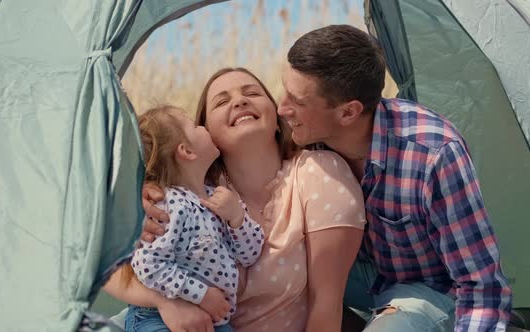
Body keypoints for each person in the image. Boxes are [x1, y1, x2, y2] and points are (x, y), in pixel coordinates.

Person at [276, 24, 512, 331]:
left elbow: (481, 288)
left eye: (297, 101)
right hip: (364, 277)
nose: (282, 108)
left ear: (348, 113)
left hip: (431, 291)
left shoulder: (434, 154)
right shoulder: (309, 136)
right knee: (277, 277)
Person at [105, 67, 366, 332]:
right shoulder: (180, 195)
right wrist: (166, 303)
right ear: (205, 133)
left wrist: (237, 220)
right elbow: (106, 269)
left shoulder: (316, 172)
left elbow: (326, 302)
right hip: (167, 318)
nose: (240, 101)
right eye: (221, 101)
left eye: (252, 92)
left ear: (278, 120)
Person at [122, 105, 265, 332]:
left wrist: (237, 217)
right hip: (157, 317)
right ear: (186, 151)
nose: (202, 127)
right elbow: (147, 265)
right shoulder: (166, 205)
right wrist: (201, 294)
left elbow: (249, 255)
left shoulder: (219, 199)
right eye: (194, 125)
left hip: (215, 321)